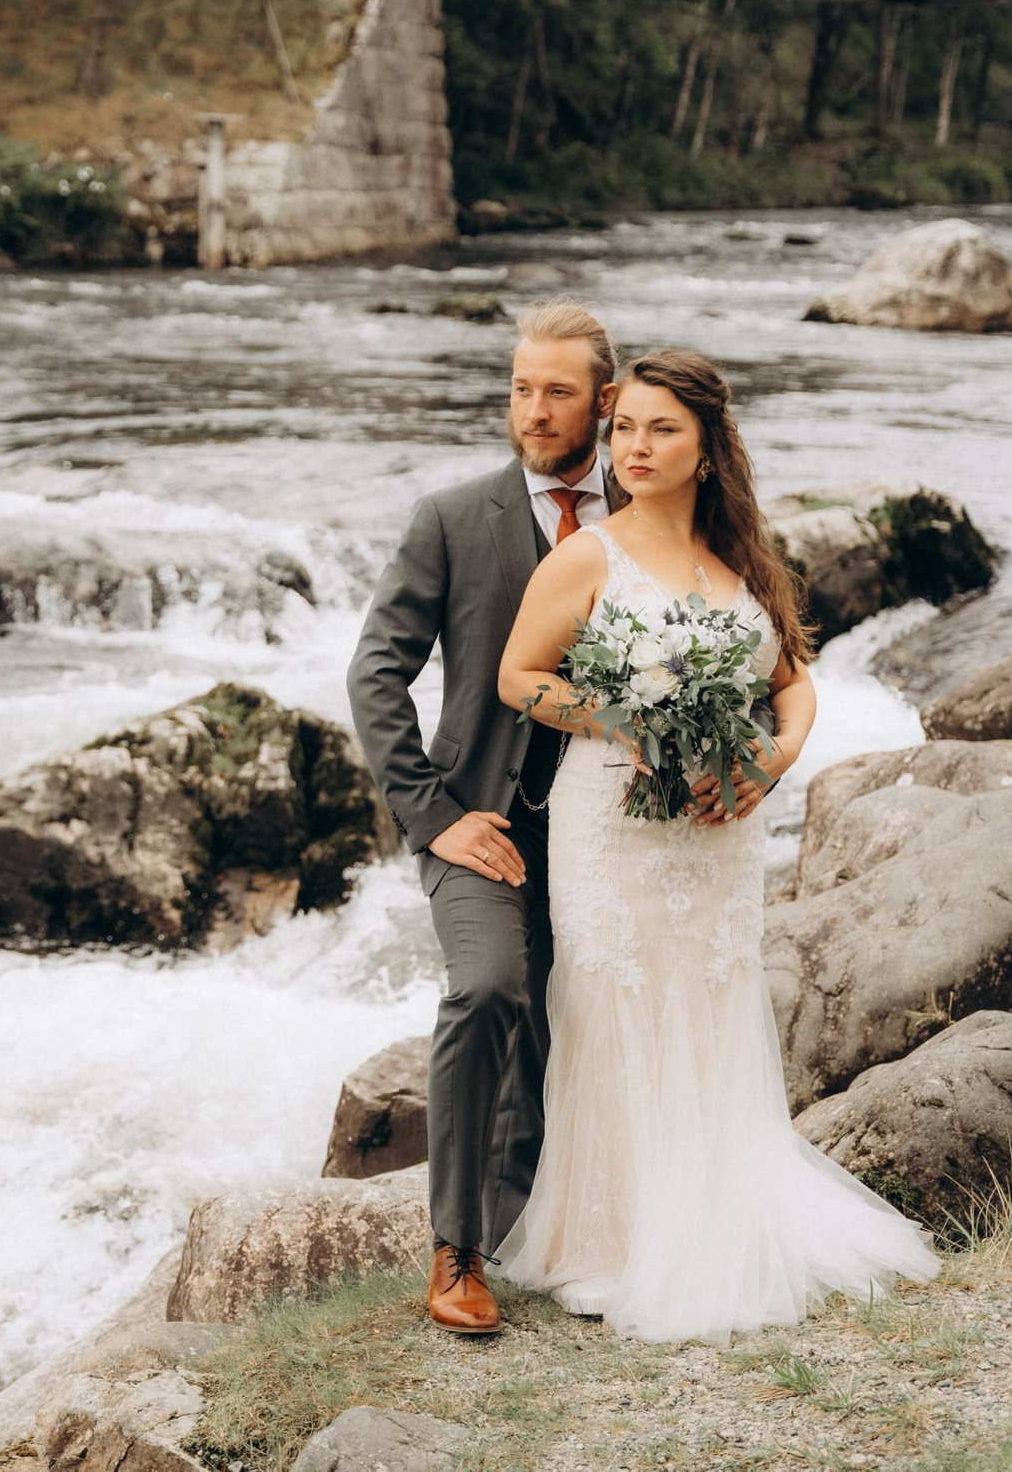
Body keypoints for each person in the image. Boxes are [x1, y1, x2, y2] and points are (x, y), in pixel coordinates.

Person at [492, 349, 939, 1346]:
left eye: (660, 430)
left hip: (720, 828)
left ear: (706, 448)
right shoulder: (587, 557)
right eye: (623, 430)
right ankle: (606, 1242)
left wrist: (773, 759)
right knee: (615, 1001)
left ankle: (715, 1223)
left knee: (708, 998)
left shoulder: (739, 562)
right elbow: (517, 677)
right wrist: (622, 714)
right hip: (610, 824)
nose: (634, 448)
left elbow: (791, 679)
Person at [346, 302, 627, 1336]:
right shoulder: (451, 520)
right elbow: (376, 674)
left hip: (615, 827)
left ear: (605, 399)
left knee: (576, 1022)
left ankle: (540, 1232)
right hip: (483, 824)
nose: (534, 410)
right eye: (520, 388)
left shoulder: (648, 515)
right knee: (490, 988)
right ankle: (456, 1250)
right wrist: (430, 814)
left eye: (557, 391)